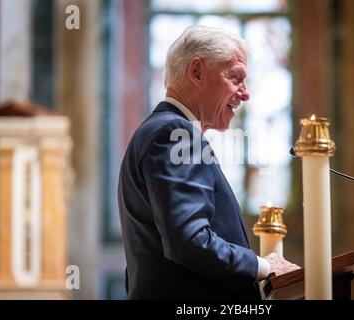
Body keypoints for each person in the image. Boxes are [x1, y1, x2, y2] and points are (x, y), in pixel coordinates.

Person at [118, 25, 299, 300]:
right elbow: (189, 242)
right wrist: (262, 266)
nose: (245, 93)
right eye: (235, 77)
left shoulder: (161, 130)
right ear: (197, 72)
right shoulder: (175, 135)